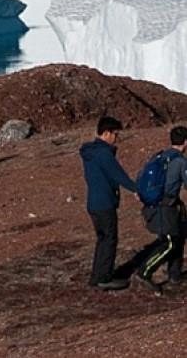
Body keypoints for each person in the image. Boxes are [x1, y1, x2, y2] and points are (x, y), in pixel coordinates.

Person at [123, 126, 187, 290]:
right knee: (170, 243)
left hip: (157, 206)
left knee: (177, 237)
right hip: (165, 208)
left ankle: (175, 274)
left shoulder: (161, 156)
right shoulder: (180, 161)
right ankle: (145, 272)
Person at [81, 116, 137, 289]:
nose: (116, 138)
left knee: (102, 239)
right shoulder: (104, 154)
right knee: (109, 240)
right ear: (106, 133)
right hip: (105, 203)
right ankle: (103, 278)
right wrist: (137, 189)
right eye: (115, 134)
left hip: (94, 203)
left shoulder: (90, 152)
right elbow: (118, 175)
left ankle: (97, 276)